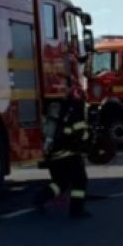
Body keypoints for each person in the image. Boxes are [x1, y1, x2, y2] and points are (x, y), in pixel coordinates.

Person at [44, 83, 91, 220]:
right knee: (80, 181)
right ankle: (76, 211)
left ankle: (39, 199)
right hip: (68, 154)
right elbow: (80, 135)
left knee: (61, 182)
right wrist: (86, 143)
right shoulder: (76, 111)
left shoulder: (61, 108)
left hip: (53, 154)